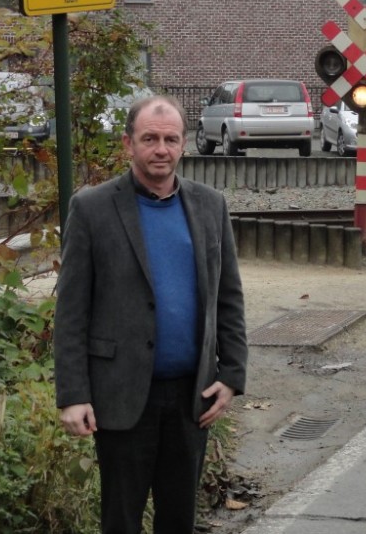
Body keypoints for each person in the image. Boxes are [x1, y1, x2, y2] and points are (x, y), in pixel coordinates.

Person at [54, 95, 248, 533]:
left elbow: (229, 297)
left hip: (191, 398)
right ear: (128, 144)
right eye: (150, 139)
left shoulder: (209, 205)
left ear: (183, 145)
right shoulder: (92, 208)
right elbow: (70, 310)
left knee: (179, 519)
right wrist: (72, 393)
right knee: (121, 520)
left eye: (170, 139)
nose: (161, 149)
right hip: (120, 396)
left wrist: (233, 374)